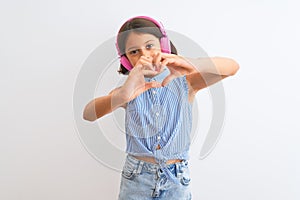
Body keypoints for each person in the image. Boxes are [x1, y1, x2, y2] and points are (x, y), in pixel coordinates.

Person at [83, 16, 239, 200]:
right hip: (136, 178)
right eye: (134, 52)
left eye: (149, 46)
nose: (144, 56)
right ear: (126, 61)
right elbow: (88, 114)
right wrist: (122, 95)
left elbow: (232, 67)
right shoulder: (126, 91)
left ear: (164, 45)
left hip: (176, 178)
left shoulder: (187, 83)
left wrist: (192, 63)